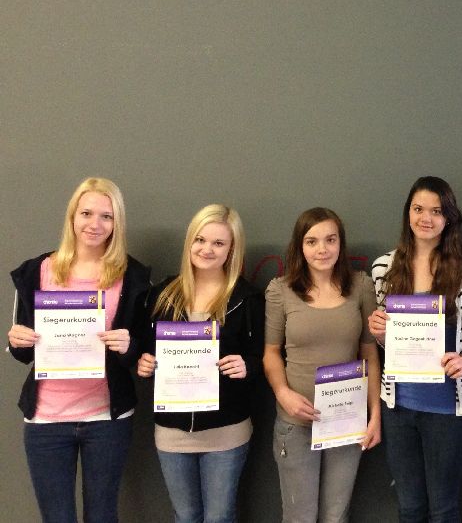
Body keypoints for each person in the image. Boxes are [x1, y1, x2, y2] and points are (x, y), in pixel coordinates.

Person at [7, 177, 151, 523]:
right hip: (46, 420)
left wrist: (129, 346)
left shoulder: (133, 275)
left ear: (117, 223)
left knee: (102, 515)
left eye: (106, 216)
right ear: (72, 216)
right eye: (86, 213)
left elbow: (142, 351)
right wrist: (16, 342)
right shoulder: (36, 271)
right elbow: (24, 352)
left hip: (106, 419)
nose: (94, 224)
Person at [367, 176, 462, 523]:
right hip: (398, 407)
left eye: (436, 211)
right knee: (409, 508)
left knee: (443, 509)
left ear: (449, 217)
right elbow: (386, 343)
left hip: (448, 409)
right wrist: (379, 332)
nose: (426, 218)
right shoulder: (383, 269)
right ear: (408, 213)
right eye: (418, 209)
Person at [136, 204, 263, 523]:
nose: (207, 249)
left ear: (232, 248)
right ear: (189, 241)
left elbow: (265, 356)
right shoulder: (161, 295)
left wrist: (248, 366)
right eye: (200, 240)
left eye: (219, 243)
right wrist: (144, 363)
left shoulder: (247, 299)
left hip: (226, 430)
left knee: (220, 516)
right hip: (172, 430)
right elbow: (145, 350)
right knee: (185, 516)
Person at [263, 207, 381, 523]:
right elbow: (271, 353)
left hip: (346, 420)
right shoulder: (281, 290)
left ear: (341, 243)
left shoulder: (361, 286)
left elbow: (369, 354)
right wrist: (283, 393)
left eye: (331, 239)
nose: (322, 249)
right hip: (296, 422)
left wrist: (375, 415)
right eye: (312, 241)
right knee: (299, 517)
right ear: (300, 246)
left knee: (336, 516)